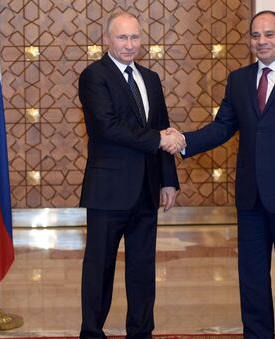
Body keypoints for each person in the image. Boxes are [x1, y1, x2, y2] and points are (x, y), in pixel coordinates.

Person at [168, 10, 275, 338]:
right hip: (250, 197)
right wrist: (185, 141)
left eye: (269, 34)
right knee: (252, 279)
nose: (262, 41)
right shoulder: (240, 79)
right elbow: (223, 127)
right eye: (256, 36)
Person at [77, 10, 185, 339]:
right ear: (107, 39)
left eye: (134, 37)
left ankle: (141, 332)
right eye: (122, 37)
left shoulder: (150, 78)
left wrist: (168, 180)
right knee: (100, 268)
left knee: (142, 269)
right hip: (108, 190)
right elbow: (106, 127)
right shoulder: (94, 76)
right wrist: (158, 139)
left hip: (147, 190)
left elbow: (161, 127)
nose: (129, 44)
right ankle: (92, 332)